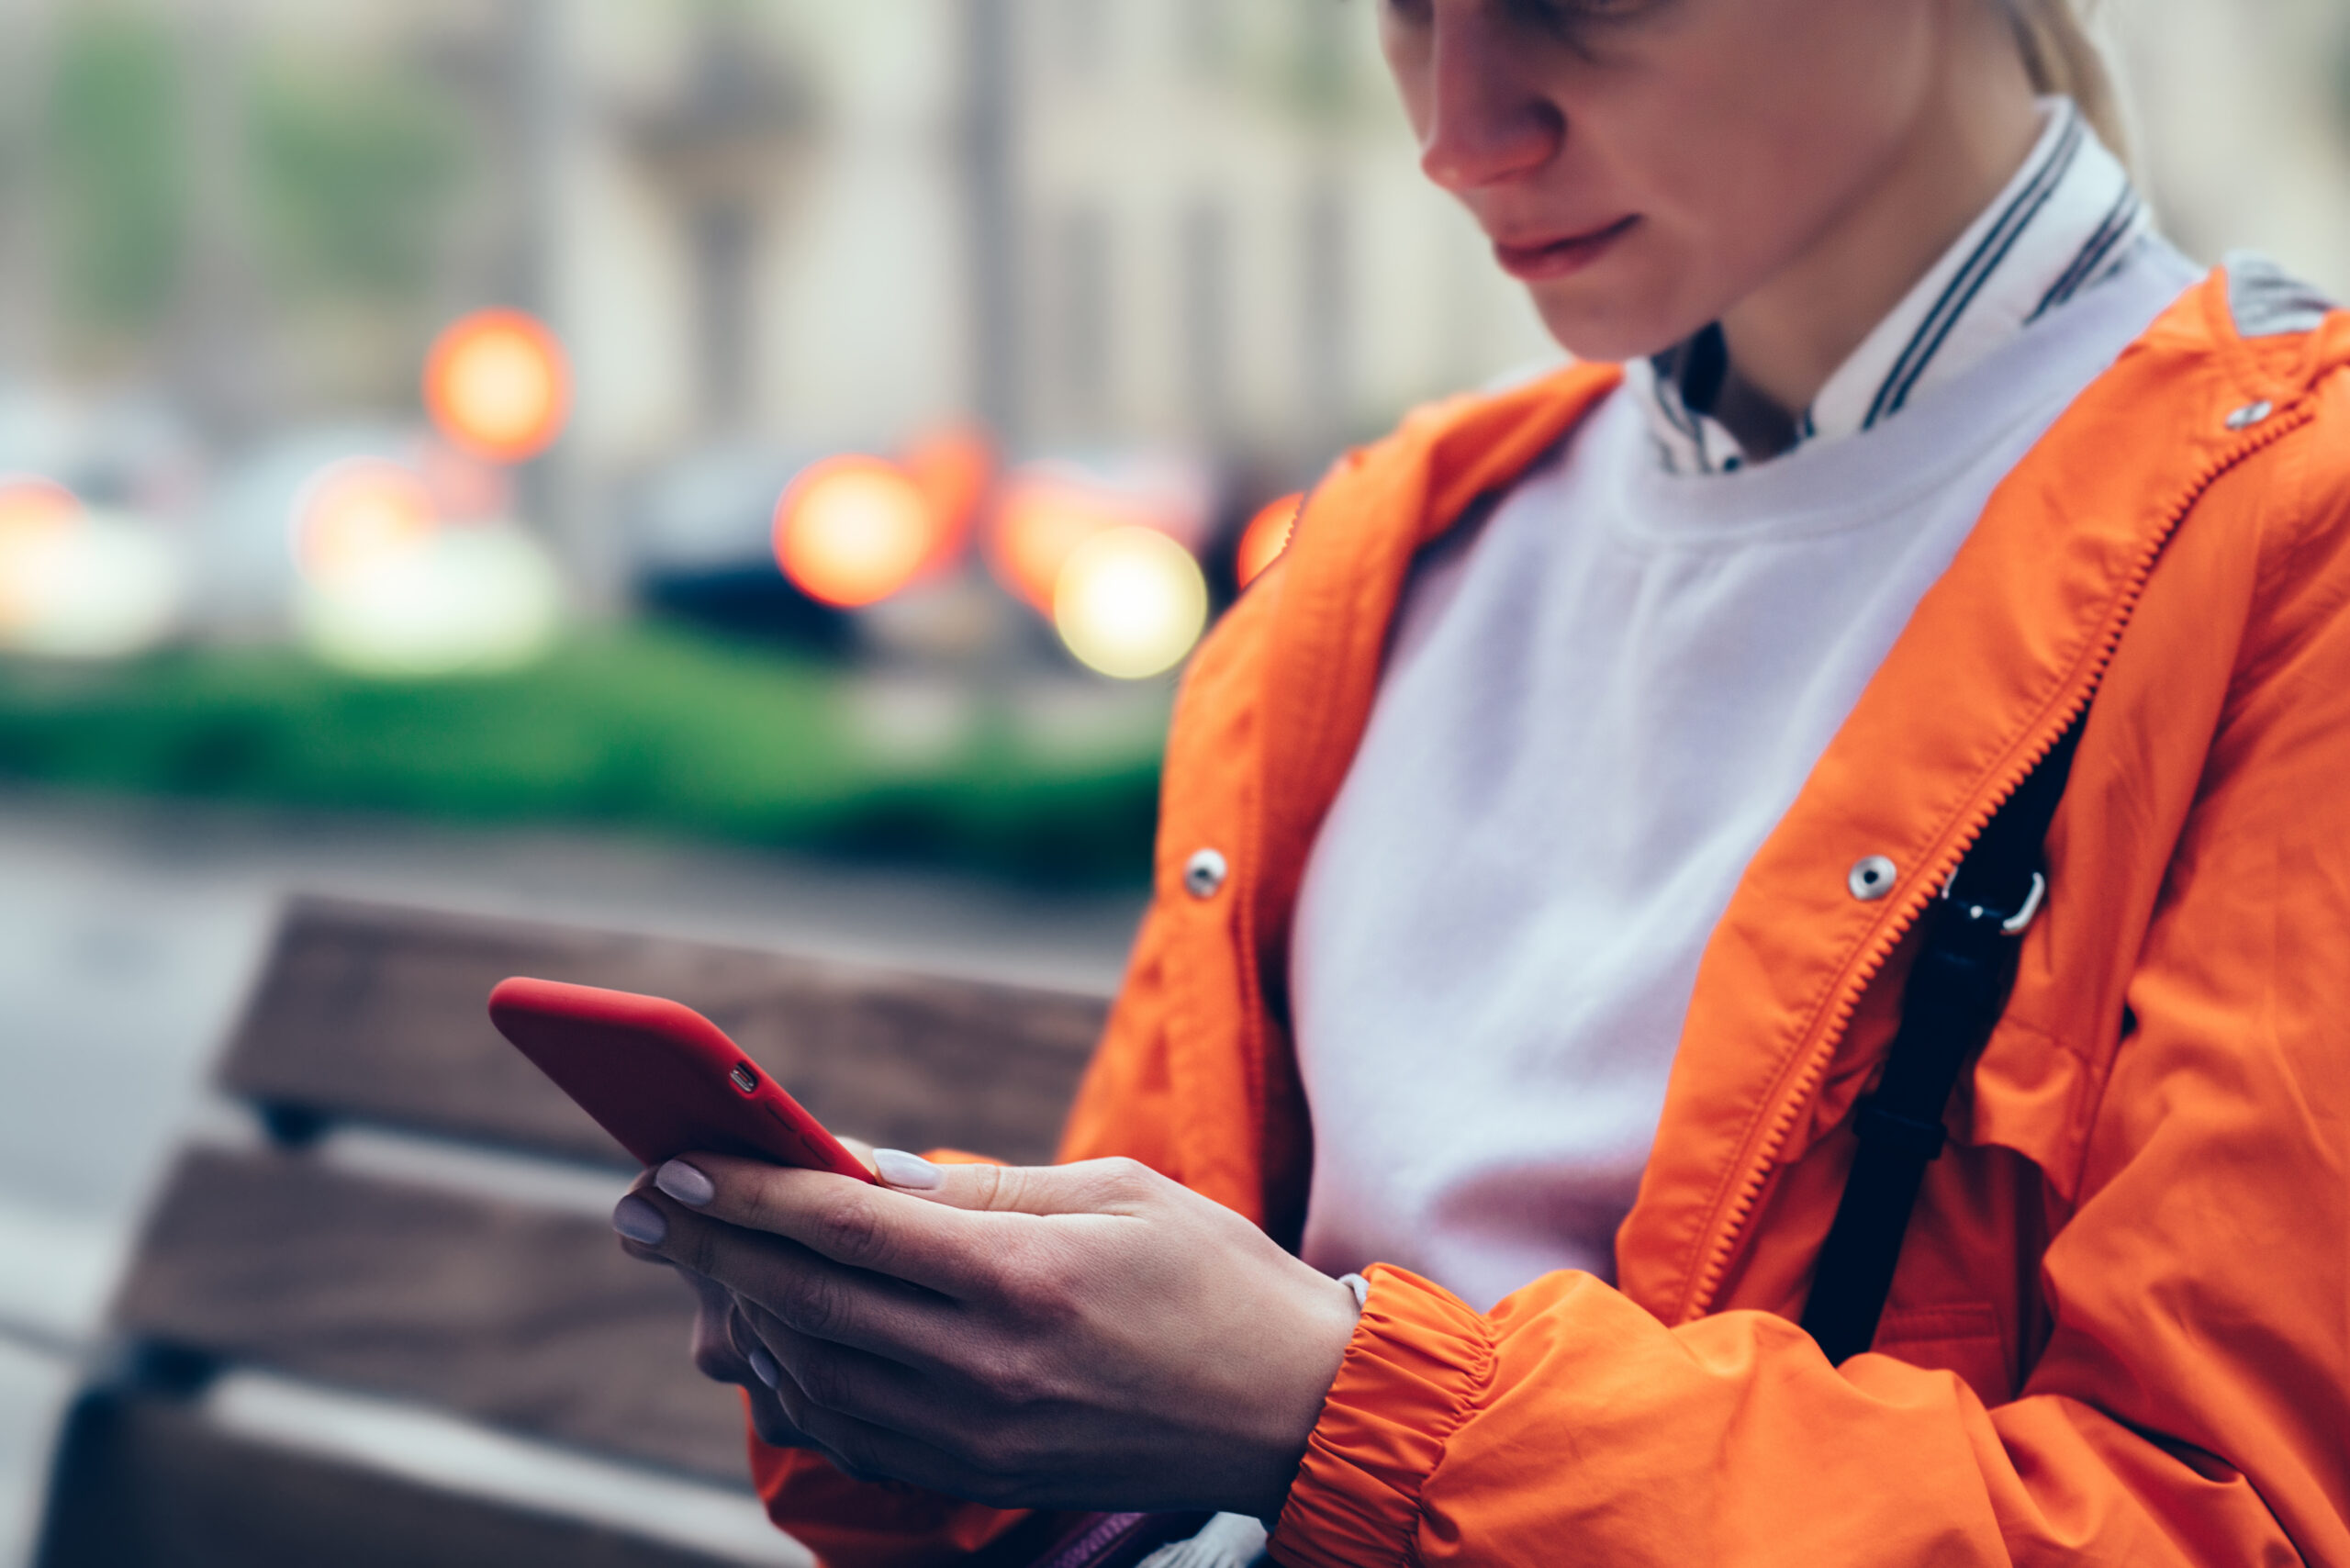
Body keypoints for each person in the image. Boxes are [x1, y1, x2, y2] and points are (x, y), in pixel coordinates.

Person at [610, 0, 2350, 1562]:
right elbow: (1117, 1403)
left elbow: (2238, 1524)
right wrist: (921, 1370)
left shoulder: (2292, 546)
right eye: (1404, 6)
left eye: (1576, 4)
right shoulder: (1391, 551)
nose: (1457, 132)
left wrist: (1319, 1404)